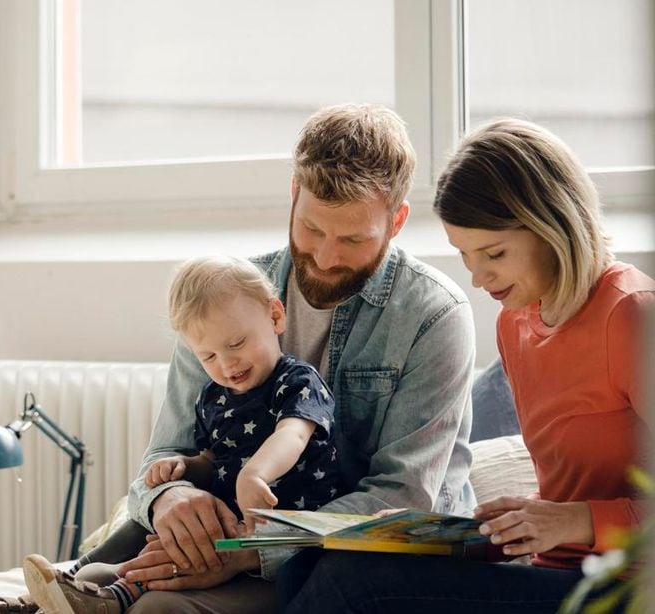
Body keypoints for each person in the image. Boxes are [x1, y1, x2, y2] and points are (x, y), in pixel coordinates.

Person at [0, 103, 478, 614]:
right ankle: (64, 592)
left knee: (154, 609)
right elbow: (163, 458)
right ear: (293, 195)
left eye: (352, 239)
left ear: (397, 221)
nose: (325, 258)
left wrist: (245, 548)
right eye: (313, 230)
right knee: (123, 554)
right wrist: (171, 502)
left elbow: (404, 497)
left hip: (353, 558)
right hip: (237, 525)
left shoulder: (433, 317)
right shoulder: (223, 298)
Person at [279, 118, 654, 613]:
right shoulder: (517, 323)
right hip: (554, 569)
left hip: (627, 587)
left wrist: (577, 520)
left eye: (494, 253)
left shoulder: (631, 314)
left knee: (357, 582)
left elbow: (573, 516)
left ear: (553, 226)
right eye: (465, 256)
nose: (479, 279)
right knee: (306, 561)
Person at [20, 255, 342, 613]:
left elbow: (294, 434)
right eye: (209, 356)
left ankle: (113, 596)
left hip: (280, 537)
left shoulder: (297, 380)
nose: (227, 364)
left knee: (179, 548)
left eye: (236, 343)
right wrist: (184, 469)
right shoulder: (212, 397)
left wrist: (256, 474)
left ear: (275, 316)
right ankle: (50, 592)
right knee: (147, 520)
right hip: (226, 517)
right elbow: (212, 460)